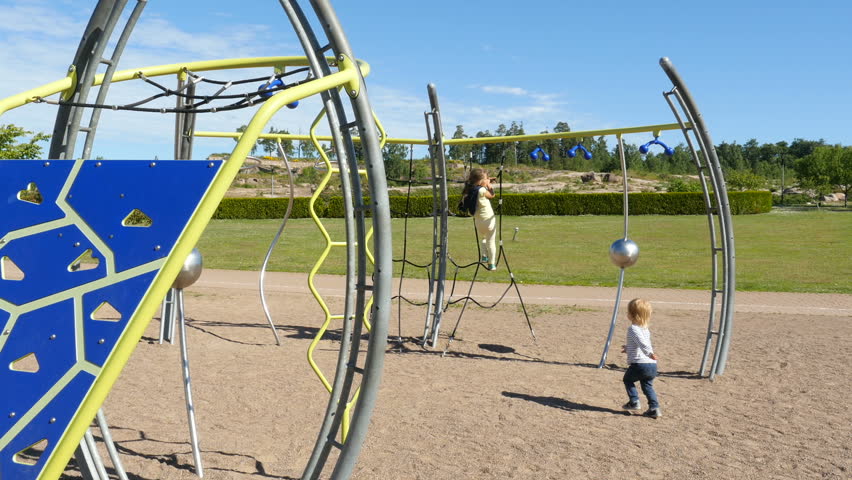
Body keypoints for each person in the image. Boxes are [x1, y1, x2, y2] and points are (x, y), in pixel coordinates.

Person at [620, 298, 661, 419]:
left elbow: (643, 344)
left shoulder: (633, 328)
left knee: (627, 380)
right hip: (652, 365)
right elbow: (639, 343)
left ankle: (634, 401)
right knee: (647, 386)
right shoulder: (645, 329)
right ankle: (654, 408)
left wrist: (649, 353)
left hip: (640, 364)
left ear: (632, 315)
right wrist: (628, 348)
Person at [460, 168, 497, 270]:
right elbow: (492, 195)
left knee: (483, 238)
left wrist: (487, 180)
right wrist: (490, 186)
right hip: (488, 220)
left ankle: (484, 256)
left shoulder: (470, 189)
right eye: (486, 178)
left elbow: (480, 186)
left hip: (478, 221)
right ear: (481, 180)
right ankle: (491, 264)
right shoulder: (482, 190)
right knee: (491, 241)